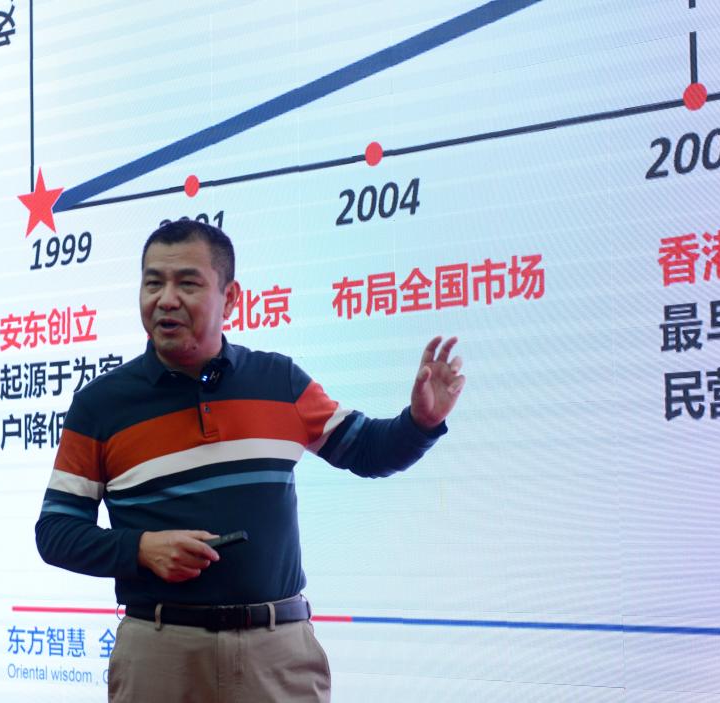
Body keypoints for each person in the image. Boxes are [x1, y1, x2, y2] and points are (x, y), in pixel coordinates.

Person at [35, 219, 466, 702]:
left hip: (277, 652)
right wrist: (141, 548)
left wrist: (421, 421)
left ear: (231, 298)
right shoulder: (100, 405)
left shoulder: (278, 381)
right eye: (153, 283)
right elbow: (56, 532)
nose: (166, 299)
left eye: (188, 284)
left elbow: (368, 450)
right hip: (161, 654)